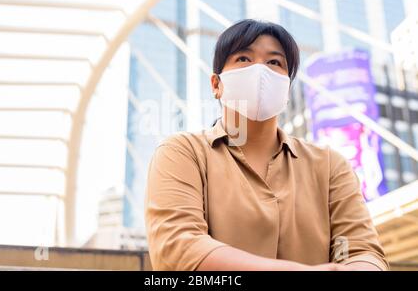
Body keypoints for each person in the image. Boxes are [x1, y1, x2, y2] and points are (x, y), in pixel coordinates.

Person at [144, 19, 389, 271]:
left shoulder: (329, 166)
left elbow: (363, 252)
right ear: (216, 84)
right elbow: (178, 249)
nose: (260, 71)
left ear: (287, 89)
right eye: (243, 59)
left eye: (274, 62)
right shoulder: (183, 154)